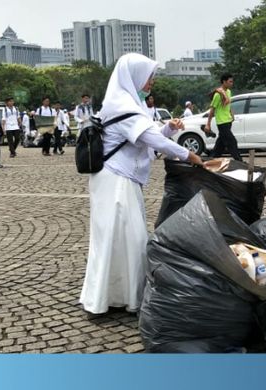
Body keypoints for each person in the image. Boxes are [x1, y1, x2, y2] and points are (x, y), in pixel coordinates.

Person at [79, 53, 204, 315]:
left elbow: (146, 137)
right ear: (134, 75)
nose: (152, 81)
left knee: (122, 238)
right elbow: (151, 139)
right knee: (124, 238)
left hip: (118, 179)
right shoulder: (124, 105)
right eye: (149, 76)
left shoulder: (125, 101)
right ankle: (113, 298)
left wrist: (169, 128)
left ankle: (117, 297)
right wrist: (187, 155)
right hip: (115, 181)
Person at [204, 73, 241, 161]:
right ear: (224, 82)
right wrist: (208, 124)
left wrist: (232, 113)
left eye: (232, 81)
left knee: (220, 144)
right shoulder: (218, 95)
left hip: (228, 121)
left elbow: (229, 105)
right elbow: (212, 110)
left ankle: (212, 158)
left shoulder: (228, 92)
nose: (232, 83)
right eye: (230, 82)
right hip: (221, 122)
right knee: (232, 141)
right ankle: (239, 160)